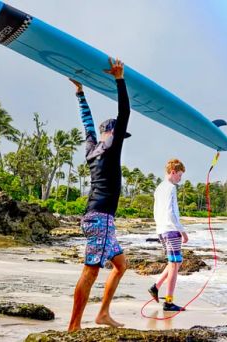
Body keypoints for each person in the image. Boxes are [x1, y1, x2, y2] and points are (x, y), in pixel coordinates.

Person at [67, 58, 132, 332]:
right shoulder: (109, 147)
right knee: (91, 270)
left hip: (100, 220)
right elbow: (125, 112)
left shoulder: (92, 149)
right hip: (100, 219)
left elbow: (87, 124)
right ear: (113, 132)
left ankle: (102, 313)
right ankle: (73, 327)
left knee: (121, 265)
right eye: (119, 134)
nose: (121, 140)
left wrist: (80, 93)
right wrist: (119, 79)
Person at [148, 158, 188, 311]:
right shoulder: (171, 188)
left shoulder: (159, 188)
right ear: (173, 172)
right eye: (179, 175)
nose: (180, 178)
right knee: (174, 265)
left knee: (176, 263)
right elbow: (172, 213)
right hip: (171, 230)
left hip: (162, 230)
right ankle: (169, 302)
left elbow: (156, 211)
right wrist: (182, 231)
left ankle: (155, 287)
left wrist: (160, 229)